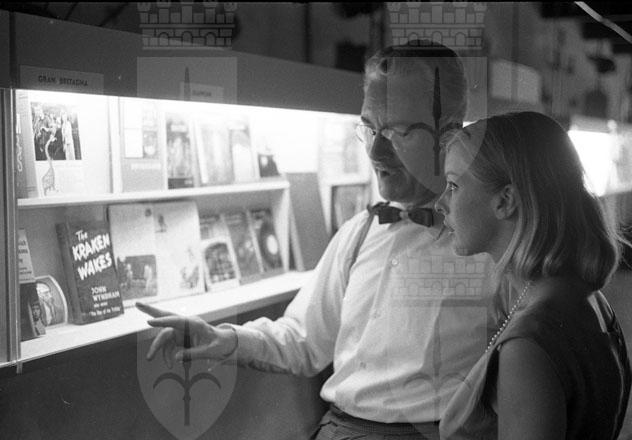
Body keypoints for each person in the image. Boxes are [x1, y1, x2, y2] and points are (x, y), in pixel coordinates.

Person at [138, 40, 506, 439]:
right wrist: (224, 339)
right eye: (370, 128)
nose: (376, 151)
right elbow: (302, 340)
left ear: (448, 135)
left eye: (398, 132)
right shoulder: (359, 233)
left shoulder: (491, 244)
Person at [434, 111, 631, 439]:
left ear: (506, 200)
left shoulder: (528, 345)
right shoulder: (584, 296)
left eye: (453, 185)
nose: (441, 203)